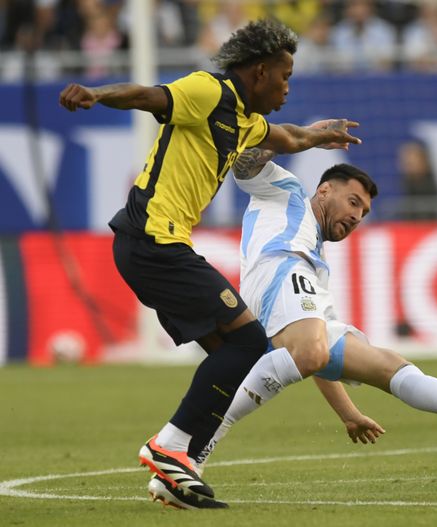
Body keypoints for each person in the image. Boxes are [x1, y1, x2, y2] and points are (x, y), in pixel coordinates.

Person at [58, 18, 362, 508]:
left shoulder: (245, 121)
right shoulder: (208, 91)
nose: (288, 86)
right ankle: (168, 447)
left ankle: (178, 473)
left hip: (157, 246)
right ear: (260, 72)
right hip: (152, 240)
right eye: (284, 76)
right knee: (249, 340)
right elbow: (146, 95)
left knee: (235, 354)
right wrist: (95, 93)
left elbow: (284, 136)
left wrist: (315, 135)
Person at [146, 149, 437, 509]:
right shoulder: (284, 192)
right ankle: (189, 451)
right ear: (324, 191)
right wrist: (305, 139)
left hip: (291, 294)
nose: (357, 216)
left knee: (388, 365)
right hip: (279, 271)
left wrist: (349, 413)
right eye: (353, 202)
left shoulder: (318, 271)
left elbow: (313, 359)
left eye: (364, 212)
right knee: (312, 349)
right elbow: (244, 161)